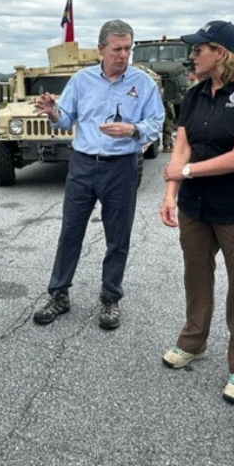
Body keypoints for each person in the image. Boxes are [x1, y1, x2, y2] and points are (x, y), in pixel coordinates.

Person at [159, 21, 234, 405]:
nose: (191, 56)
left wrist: (186, 172)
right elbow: (182, 147)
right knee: (196, 275)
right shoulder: (195, 94)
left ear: (220, 53)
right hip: (196, 206)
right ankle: (194, 341)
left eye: (198, 49)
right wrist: (170, 193)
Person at [32, 19, 165, 330]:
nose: (123, 55)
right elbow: (65, 119)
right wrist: (53, 111)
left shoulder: (142, 83)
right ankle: (59, 294)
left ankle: (110, 297)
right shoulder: (82, 80)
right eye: (117, 49)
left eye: (127, 49)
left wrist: (132, 129)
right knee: (70, 232)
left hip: (121, 167)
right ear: (102, 49)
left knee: (117, 236)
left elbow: (156, 123)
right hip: (82, 165)